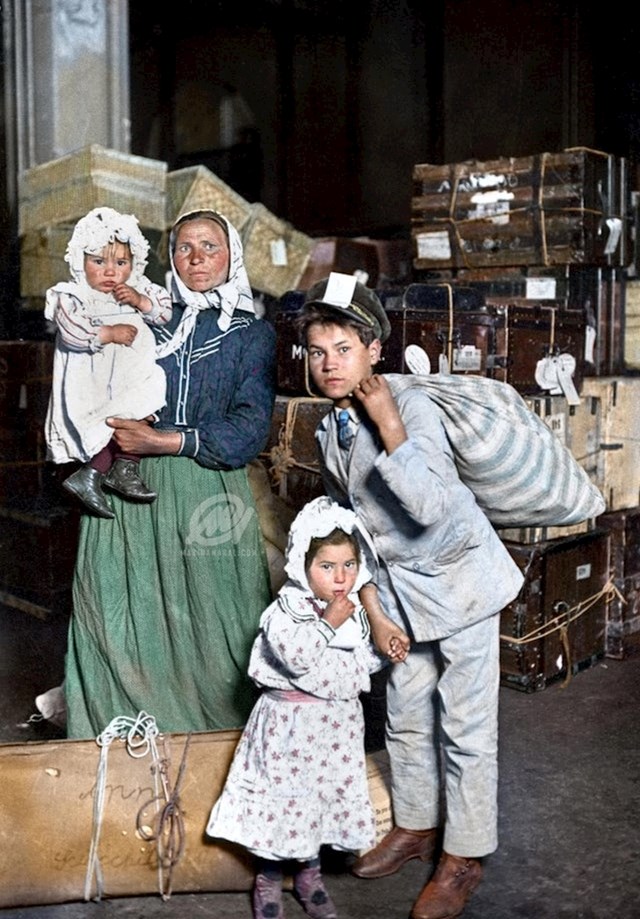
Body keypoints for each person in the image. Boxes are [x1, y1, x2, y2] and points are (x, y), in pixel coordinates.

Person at [295, 273, 525, 919]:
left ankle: (466, 855)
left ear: (373, 348)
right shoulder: (328, 426)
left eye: (342, 347)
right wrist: (371, 608)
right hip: (400, 594)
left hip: (461, 582)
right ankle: (417, 826)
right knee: (403, 710)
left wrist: (389, 421)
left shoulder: (411, 404)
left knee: (466, 725)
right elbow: (354, 530)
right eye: (317, 351)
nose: (329, 363)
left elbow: (425, 504)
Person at [63, 208, 277, 739]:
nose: (198, 258)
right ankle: (114, 753)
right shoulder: (138, 317)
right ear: (170, 258)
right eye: (184, 247)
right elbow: (84, 378)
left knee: (216, 625)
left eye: (211, 246)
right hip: (122, 490)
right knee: (116, 617)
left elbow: (249, 430)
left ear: (233, 256)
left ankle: (219, 757)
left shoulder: (252, 334)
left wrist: (162, 439)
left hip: (203, 484)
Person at [206, 495, 408, 919]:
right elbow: (296, 656)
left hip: (334, 730)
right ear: (303, 565)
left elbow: (354, 665)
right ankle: (268, 876)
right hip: (289, 728)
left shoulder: (353, 612)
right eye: (327, 567)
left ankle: (309, 875)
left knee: (318, 802)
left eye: (349, 565)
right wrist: (328, 622)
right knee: (286, 803)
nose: (340, 577)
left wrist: (382, 649)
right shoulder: (286, 611)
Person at [44, 206, 172, 519]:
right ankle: (93, 472)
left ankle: (122, 467)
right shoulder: (72, 295)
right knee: (106, 423)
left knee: (148, 399)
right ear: (80, 261)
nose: (110, 271)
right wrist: (108, 332)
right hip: (93, 381)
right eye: (98, 262)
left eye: (121, 262)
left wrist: (141, 302)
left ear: (135, 263)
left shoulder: (139, 288)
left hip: (133, 375)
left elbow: (165, 312)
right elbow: (72, 332)